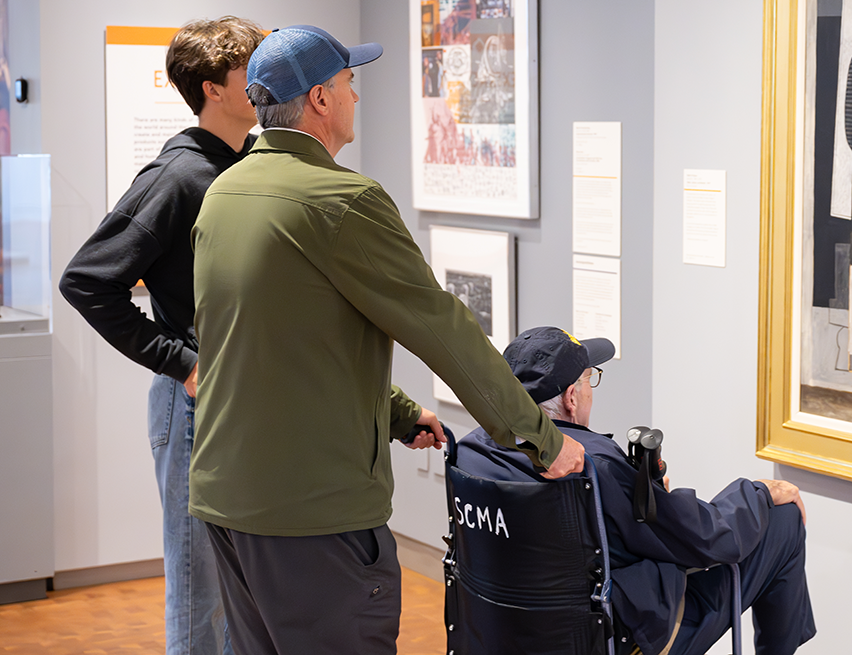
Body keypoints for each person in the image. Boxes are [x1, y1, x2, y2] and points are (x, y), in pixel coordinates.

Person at [187, 25, 585, 654]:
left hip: (227, 502)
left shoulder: (224, 195)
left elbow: (266, 345)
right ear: (319, 99)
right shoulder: (343, 200)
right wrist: (540, 437)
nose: (355, 95)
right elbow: (441, 327)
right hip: (315, 516)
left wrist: (399, 413)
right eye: (348, 81)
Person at [58, 17, 265, 655]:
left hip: (239, 404)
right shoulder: (175, 177)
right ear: (213, 89)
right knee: (199, 594)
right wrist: (184, 364)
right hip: (195, 406)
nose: (261, 80)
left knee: (240, 591)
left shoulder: (248, 163)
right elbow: (88, 281)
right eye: (248, 69)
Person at [457, 326, 817, 655]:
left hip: (503, 635)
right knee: (782, 520)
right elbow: (707, 538)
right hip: (613, 638)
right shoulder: (592, 464)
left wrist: (650, 494)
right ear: (570, 398)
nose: (589, 393)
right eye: (589, 380)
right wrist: (756, 493)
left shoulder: (470, 451)